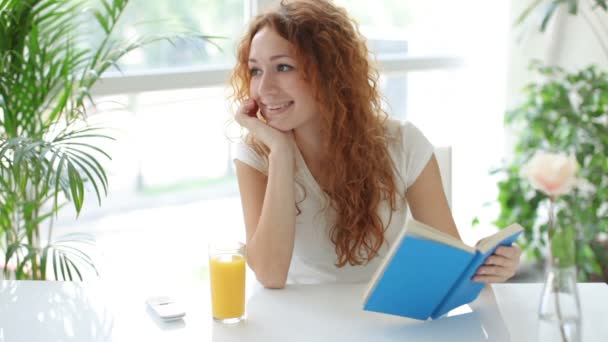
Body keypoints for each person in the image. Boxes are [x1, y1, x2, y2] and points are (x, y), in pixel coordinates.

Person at [229, 0, 521, 288]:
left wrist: (492, 264)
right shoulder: (256, 154)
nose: (264, 88)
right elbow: (269, 274)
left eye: (283, 67)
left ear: (330, 72)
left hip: (382, 324)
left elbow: (448, 264)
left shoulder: (403, 143)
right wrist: (280, 153)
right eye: (255, 70)